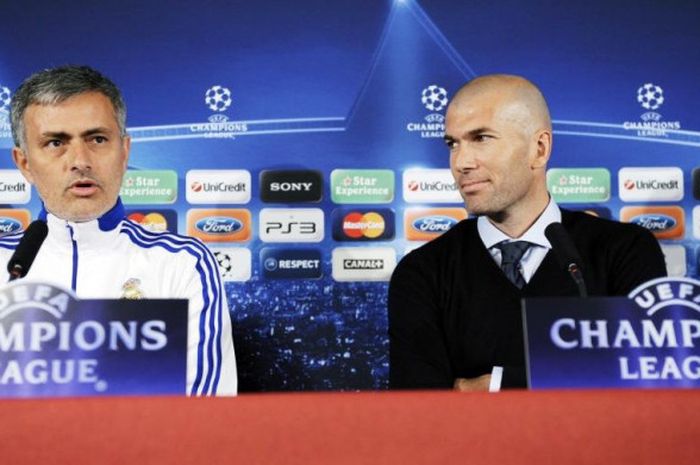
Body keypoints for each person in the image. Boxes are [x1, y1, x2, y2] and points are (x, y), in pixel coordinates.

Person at [388, 74, 667, 391]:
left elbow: (649, 382)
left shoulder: (624, 250)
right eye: (453, 143)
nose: (461, 162)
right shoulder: (422, 271)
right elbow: (420, 408)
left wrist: (496, 385)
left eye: (481, 138)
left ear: (539, 148)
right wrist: (571, 377)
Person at [1, 65, 237, 395]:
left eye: (97, 139)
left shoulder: (183, 262)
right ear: (24, 163)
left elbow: (206, 411)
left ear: (124, 152)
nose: (80, 160)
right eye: (56, 143)